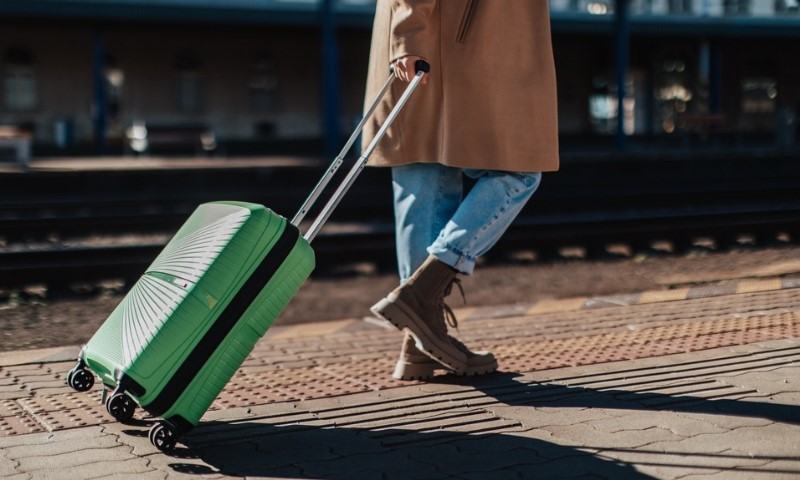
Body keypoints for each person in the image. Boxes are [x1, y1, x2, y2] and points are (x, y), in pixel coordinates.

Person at [362, 0, 560, 380]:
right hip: (440, 41)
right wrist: (408, 36)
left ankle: (419, 342)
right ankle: (424, 294)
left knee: (424, 183)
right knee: (517, 173)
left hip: (437, 38)